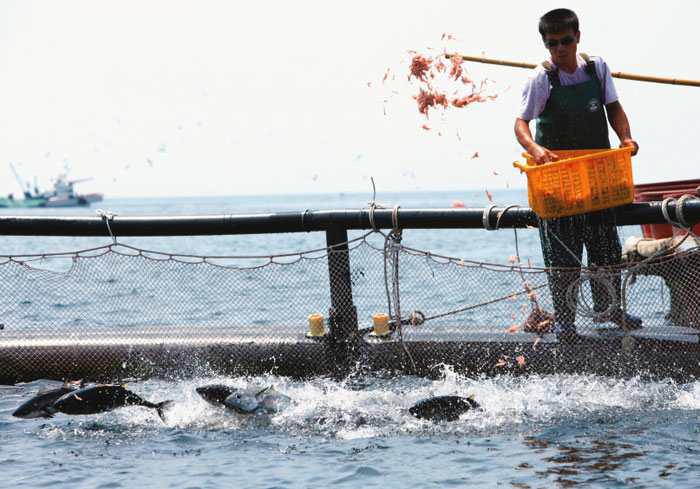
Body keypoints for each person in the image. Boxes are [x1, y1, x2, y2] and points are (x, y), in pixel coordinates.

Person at [513, 8, 642, 339]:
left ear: (578, 37)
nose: (560, 49)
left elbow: (613, 107)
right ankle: (565, 322)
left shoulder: (597, 69)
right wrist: (536, 150)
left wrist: (624, 138)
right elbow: (520, 124)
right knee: (563, 258)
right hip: (558, 183)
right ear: (545, 44)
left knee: (606, 251)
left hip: (596, 178)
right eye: (552, 43)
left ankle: (609, 311)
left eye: (565, 41)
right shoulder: (541, 78)